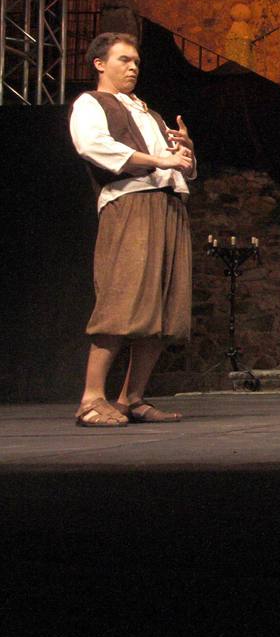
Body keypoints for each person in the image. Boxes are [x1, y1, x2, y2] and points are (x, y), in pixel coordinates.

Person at [68, 32, 196, 426]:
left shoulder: (149, 112)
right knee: (122, 300)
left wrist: (184, 154)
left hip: (169, 206)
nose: (133, 67)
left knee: (163, 308)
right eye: (124, 60)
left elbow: (177, 166)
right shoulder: (92, 103)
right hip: (131, 204)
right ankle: (91, 399)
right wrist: (158, 160)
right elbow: (94, 146)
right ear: (99, 64)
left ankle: (132, 398)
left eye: (136, 61)